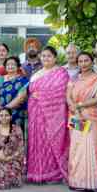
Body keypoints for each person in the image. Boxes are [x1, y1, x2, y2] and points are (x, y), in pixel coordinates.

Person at [26, 46, 69, 184]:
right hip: (35, 112)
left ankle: (52, 174)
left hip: (52, 114)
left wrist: (42, 95)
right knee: (36, 141)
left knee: (50, 140)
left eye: (49, 56)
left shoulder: (61, 73)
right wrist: (35, 97)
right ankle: (36, 172)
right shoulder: (37, 73)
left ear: (55, 57)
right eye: (43, 56)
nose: (46, 58)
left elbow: (61, 93)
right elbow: (31, 91)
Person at [66, 52, 97, 192]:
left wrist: (80, 105)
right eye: (81, 61)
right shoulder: (73, 79)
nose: (83, 63)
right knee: (76, 148)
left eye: (86, 60)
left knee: (91, 148)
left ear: (92, 61)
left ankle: (90, 183)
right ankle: (76, 181)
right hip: (75, 116)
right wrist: (74, 107)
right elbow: (68, 97)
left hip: (91, 116)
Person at [0, 56, 29, 132]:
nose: (10, 66)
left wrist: (6, 109)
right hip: (0, 114)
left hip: (16, 114)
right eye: (8, 65)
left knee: (16, 137)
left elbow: (21, 97)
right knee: (2, 137)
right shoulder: (1, 79)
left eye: (13, 64)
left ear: (18, 66)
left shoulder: (23, 80)